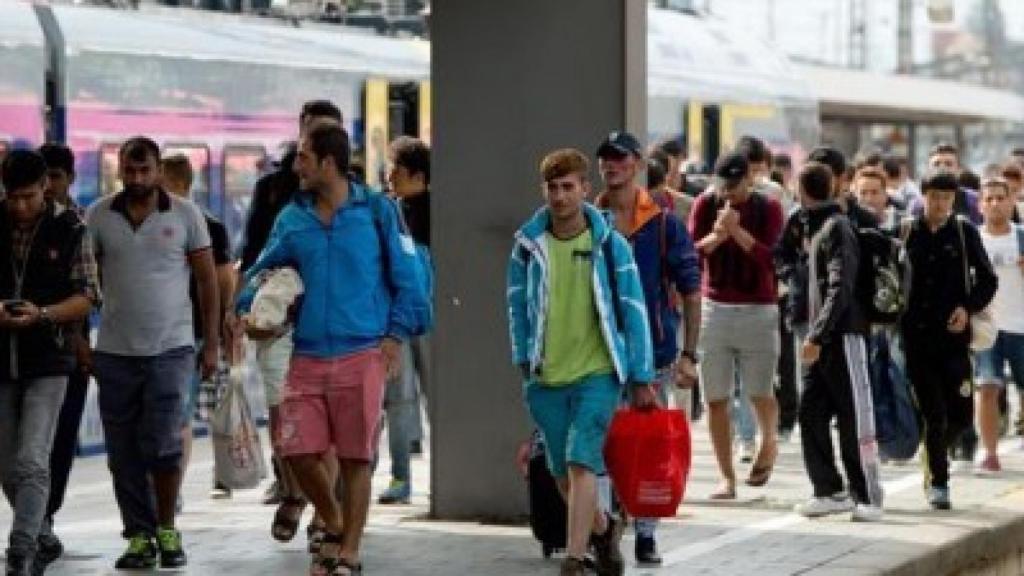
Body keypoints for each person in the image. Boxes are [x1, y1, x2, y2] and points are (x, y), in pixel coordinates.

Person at [237, 123, 429, 575]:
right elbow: (259, 271)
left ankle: (349, 553)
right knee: (296, 450)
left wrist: (394, 337)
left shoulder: (378, 211)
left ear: (328, 162)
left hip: (363, 353)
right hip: (305, 355)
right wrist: (251, 309)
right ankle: (335, 520)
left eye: (303, 157)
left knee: (356, 458)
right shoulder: (292, 218)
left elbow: (410, 279)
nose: (296, 166)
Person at [508, 147, 654, 576]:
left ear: (585, 189)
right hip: (547, 377)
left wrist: (641, 375)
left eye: (568, 187)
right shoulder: (527, 245)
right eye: (552, 188)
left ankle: (575, 558)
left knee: (581, 460)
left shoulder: (609, 245)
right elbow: (516, 306)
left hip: (598, 374)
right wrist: (523, 356)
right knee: (559, 471)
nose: (559, 196)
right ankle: (604, 530)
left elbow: (633, 309)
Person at [86, 137, 219, 569]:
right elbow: (83, 281)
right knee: (122, 451)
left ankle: (166, 527)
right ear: (119, 169)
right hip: (114, 352)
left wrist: (212, 343)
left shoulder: (185, 215)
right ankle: (138, 535)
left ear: (159, 170)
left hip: (171, 349)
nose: (137, 178)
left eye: (145, 170)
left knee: (163, 444)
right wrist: (80, 342)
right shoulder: (99, 216)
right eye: (130, 170)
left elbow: (207, 281)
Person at [227, 100, 342, 547]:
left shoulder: (359, 199)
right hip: (278, 321)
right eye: (309, 134)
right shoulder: (276, 192)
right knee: (286, 420)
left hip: (333, 323)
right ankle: (295, 492)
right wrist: (238, 307)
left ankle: (325, 515)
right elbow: (255, 254)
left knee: (330, 427)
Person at [594, 131, 700, 566]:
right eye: (606, 158)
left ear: (637, 164)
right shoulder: (589, 220)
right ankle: (603, 531)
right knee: (598, 446)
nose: (611, 165)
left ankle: (646, 532)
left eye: (620, 158)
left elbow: (691, 289)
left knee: (648, 447)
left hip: (653, 355)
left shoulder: (663, 224)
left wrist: (689, 354)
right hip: (598, 356)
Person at [0, 150, 99, 576]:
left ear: (46, 188)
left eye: (28, 196)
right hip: (1, 361)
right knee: (7, 465)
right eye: (13, 197)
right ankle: (42, 534)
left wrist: (42, 314)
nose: (20, 206)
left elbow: (88, 295)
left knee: (32, 459)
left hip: (49, 359)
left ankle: (20, 552)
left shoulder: (72, 228)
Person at [791, 161, 883, 521]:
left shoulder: (837, 227)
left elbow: (840, 286)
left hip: (843, 336)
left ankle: (868, 495)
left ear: (802, 190)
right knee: (811, 412)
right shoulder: (817, 226)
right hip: (824, 339)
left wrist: (817, 333)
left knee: (854, 416)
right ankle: (829, 489)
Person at [690, 151, 784, 500]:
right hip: (714, 308)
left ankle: (769, 440)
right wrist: (718, 235)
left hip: (759, 309)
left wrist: (737, 231)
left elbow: (772, 259)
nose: (728, 192)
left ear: (750, 179)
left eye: (735, 184)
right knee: (716, 398)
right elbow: (691, 252)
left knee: (760, 392)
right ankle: (725, 477)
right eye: (723, 184)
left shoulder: (768, 208)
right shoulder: (705, 204)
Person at [901, 170, 997, 510]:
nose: (940, 204)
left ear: (954, 199)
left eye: (946, 198)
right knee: (935, 414)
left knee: (961, 415)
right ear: (923, 197)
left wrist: (967, 308)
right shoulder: (906, 231)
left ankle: (934, 450)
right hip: (916, 339)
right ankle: (939, 482)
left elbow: (988, 280)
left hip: (955, 340)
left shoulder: (963, 232)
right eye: (934, 197)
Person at [161, 154, 235, 500]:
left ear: (177, 184)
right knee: (175, 415)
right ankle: (168, 490)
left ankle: (171, 491)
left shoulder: (207, 225)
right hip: (167, 333)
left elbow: (223, 281)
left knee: (179, 414)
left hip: (193, 334)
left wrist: (216, 335)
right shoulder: (156, 223)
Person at [34, 143, 92, 568]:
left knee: (61, 440)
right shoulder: (15, 222)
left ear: (70, 179)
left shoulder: (82, 225)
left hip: (70, 352)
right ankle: (36, 519)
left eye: (56, 177)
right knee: (26, 446)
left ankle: (44, 517)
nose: (50, 186)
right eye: (45, 178)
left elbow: (92, 292)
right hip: (24, 353)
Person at [378, 136, 433, 506]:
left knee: (433, 398)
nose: (389, 175)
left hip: (428, 317)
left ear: (418, 175)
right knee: (397, 400)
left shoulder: (438, 212)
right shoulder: (387, 212)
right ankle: (400, 476)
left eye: (395, 168)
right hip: (398, 319)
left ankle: (436, 476)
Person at [974, 178, 1024, 475]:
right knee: (987, 388)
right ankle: (990, 453)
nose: (995, 204)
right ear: (980, 205)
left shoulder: (1021, 236)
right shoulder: (973, 239)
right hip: (987, 328)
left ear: (1011, 202)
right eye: (989, 199)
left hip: (1021, 326)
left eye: (1000, 198)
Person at [909, 143, 982, 225]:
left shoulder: (973, 200)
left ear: (958, 169)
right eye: (936, 164)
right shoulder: (918, 204)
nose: (942, 168)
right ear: (928, 168)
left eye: (948, 164)